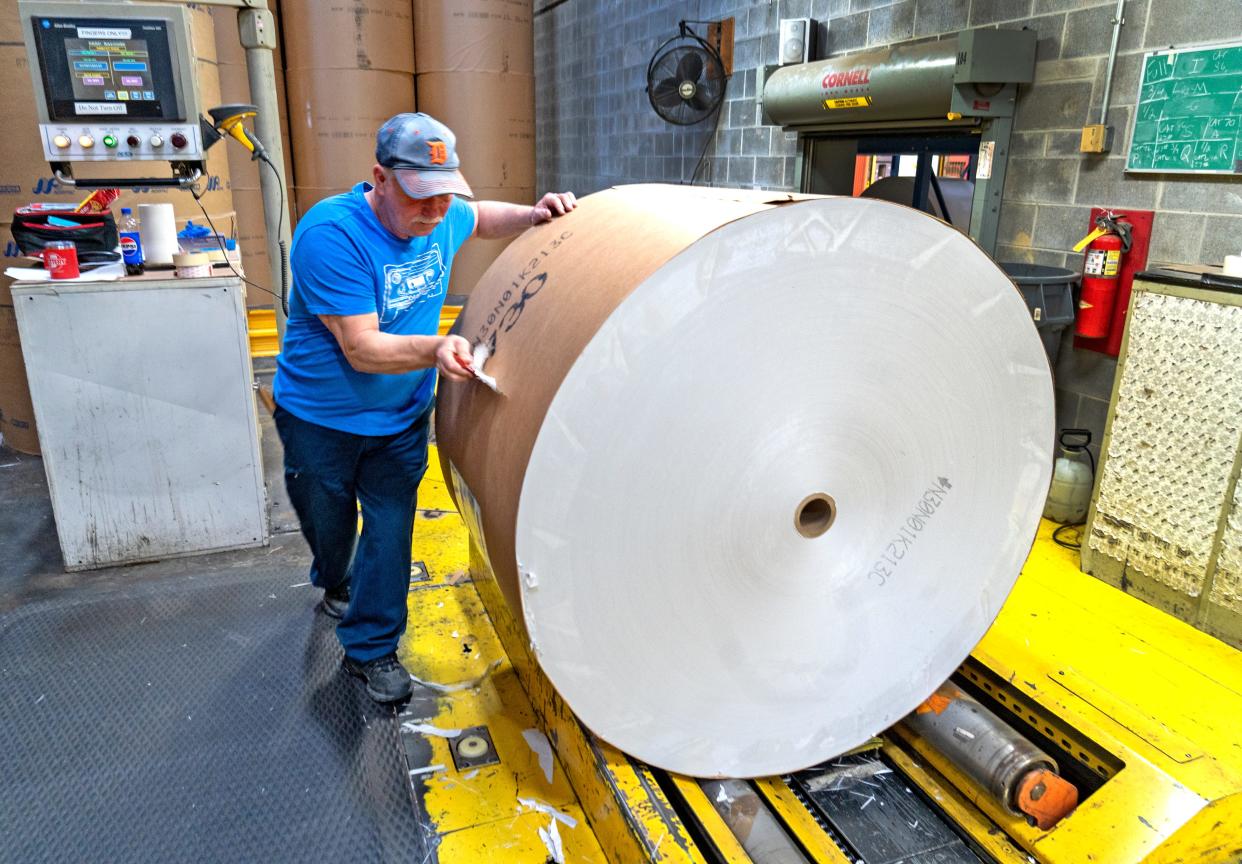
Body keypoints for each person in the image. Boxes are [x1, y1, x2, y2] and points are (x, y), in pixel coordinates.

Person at [272, 112, 576, 703]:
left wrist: (532, 215)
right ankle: (333, 576)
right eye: (419, 200)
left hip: (399, 419)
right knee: (331, 530)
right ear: (379, 178)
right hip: (321, 421)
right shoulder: (331, 236)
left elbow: (479, 216)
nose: (434, 213)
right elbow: (362, 349)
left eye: (443, 197)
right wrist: (437, 347)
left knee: (390, 528)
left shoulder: (441, 214)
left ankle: (371, 648)